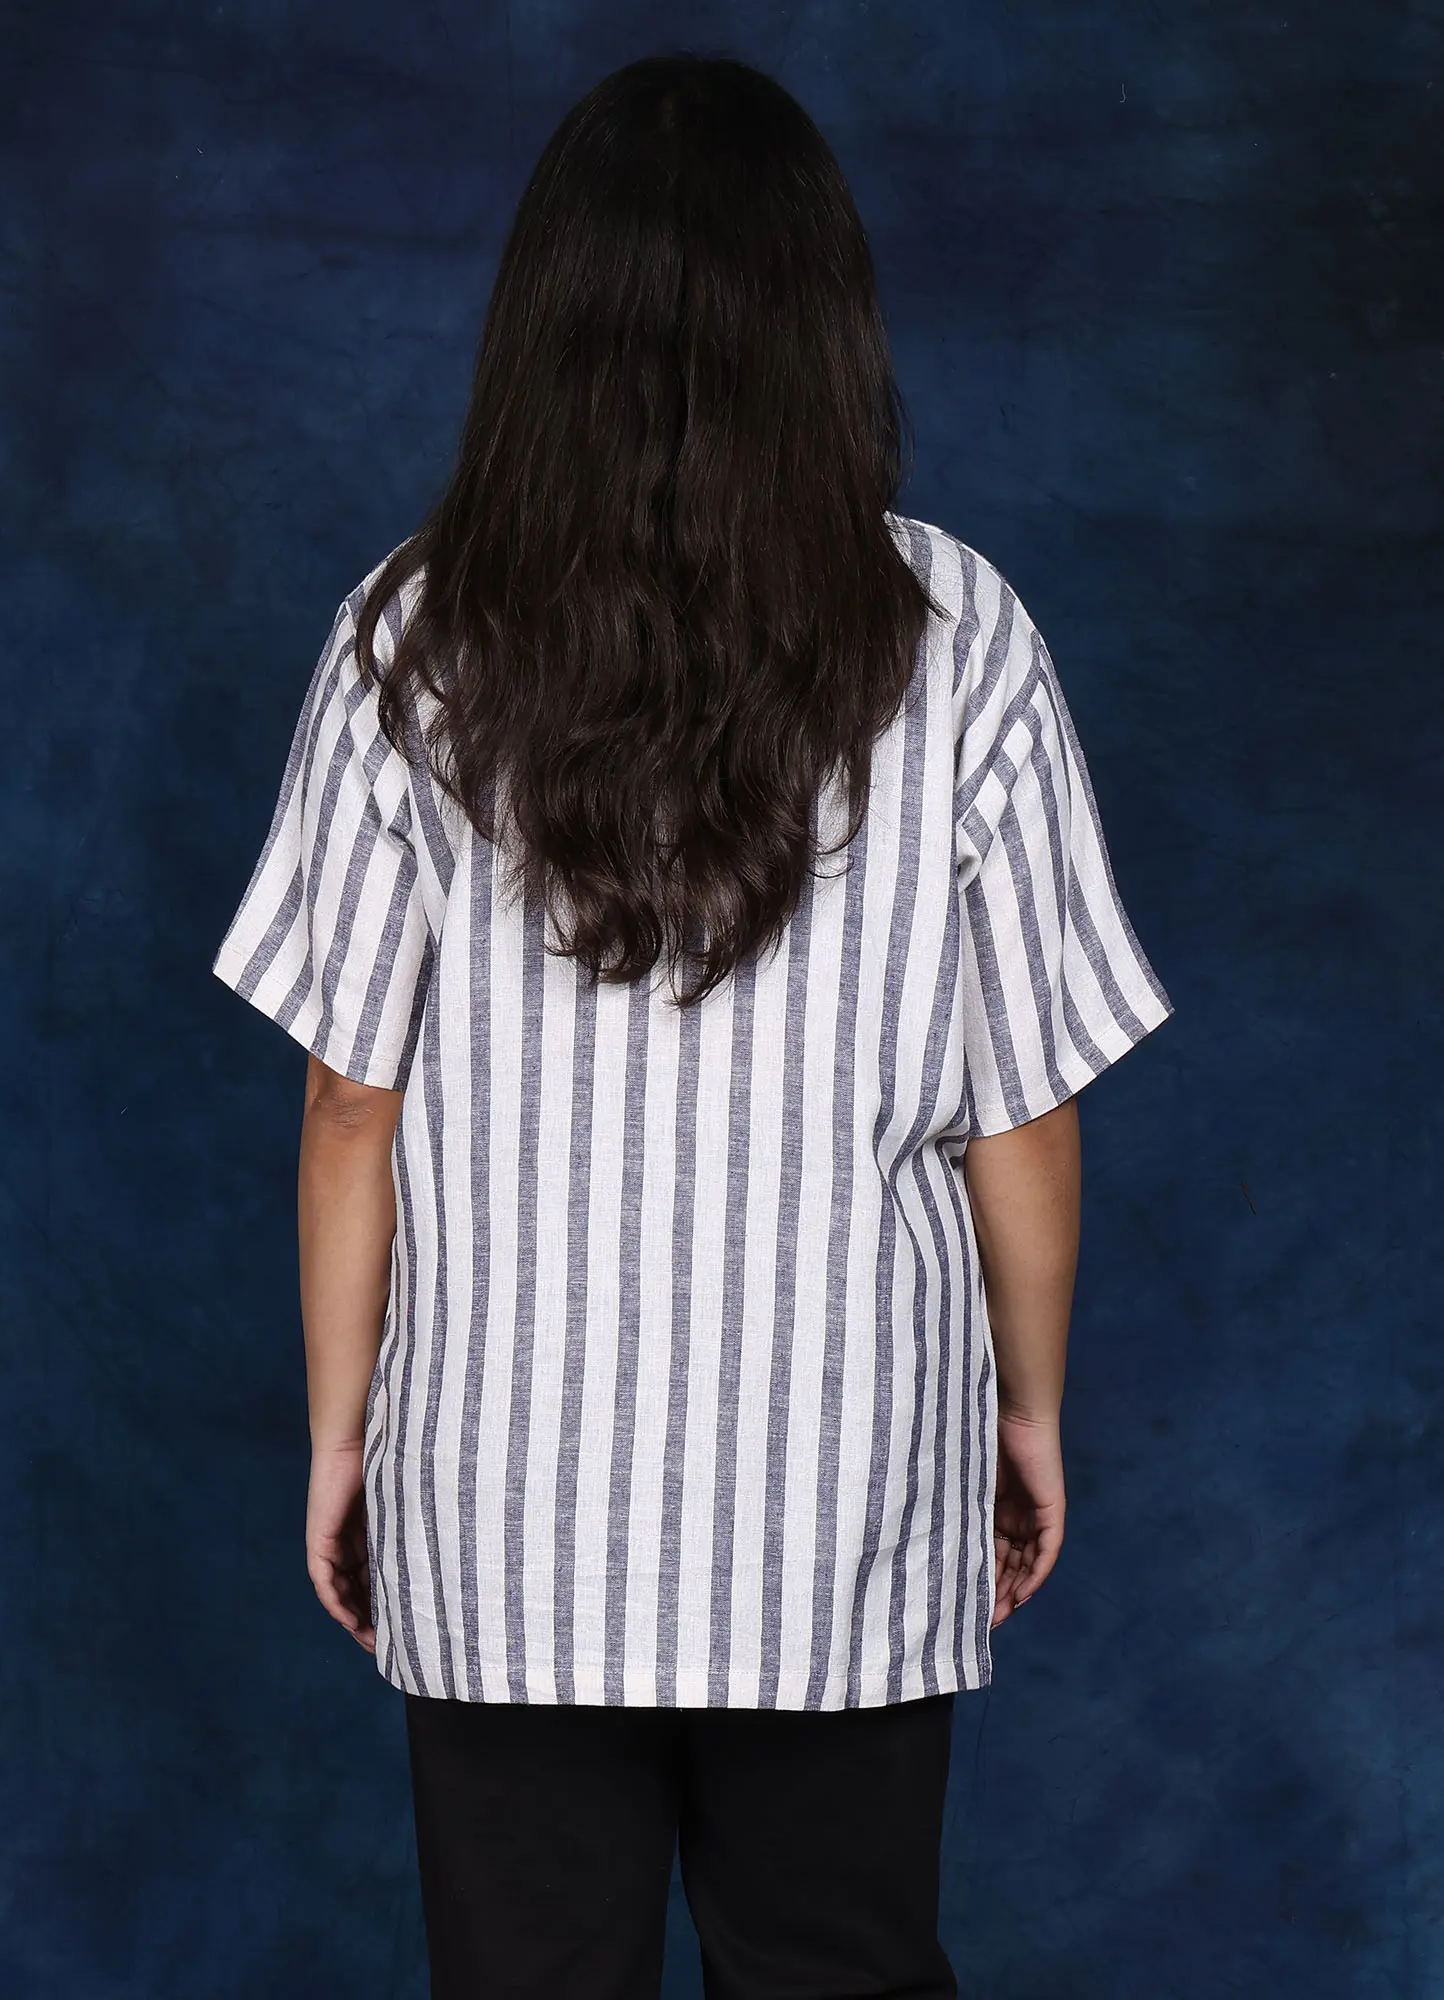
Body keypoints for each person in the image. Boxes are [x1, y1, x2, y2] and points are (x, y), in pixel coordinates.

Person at [212, 49, 1173, 2000]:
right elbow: (1022, 1111)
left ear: (541, 330)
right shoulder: (963, 635)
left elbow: (345, 1098)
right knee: (841, 1970)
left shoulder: (409, 636)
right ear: (826, 322)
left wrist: (342, 1431)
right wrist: (1028, 1410)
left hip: (501, 1497)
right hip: (847, 1495)